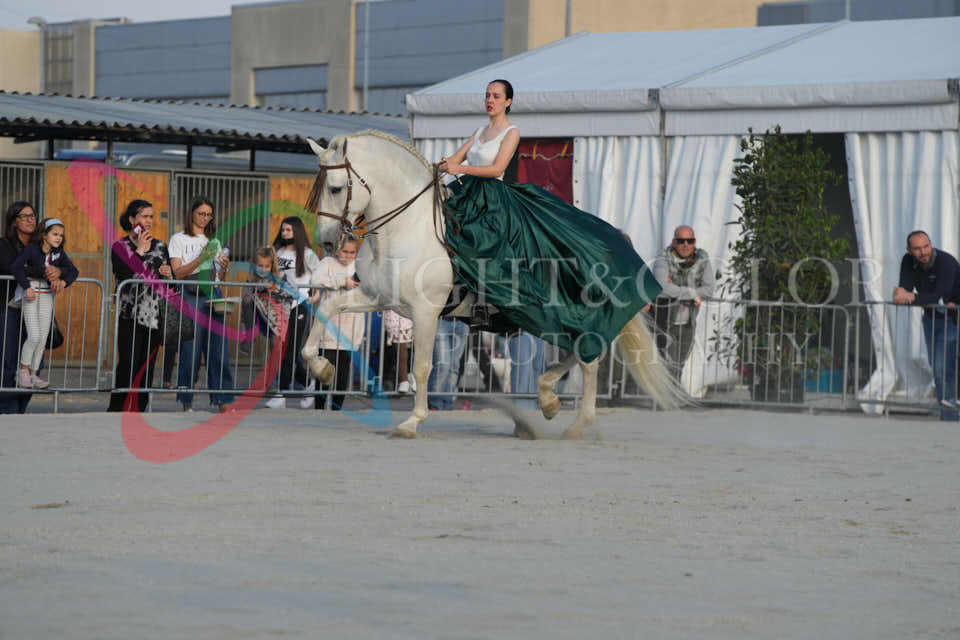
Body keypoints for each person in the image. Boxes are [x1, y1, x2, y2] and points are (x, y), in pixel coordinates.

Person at [439, 79, 661, 367]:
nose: (490, 100)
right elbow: (452, 160)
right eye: (487, 95)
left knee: (488, 245)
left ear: (508, 101)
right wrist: (436, 167)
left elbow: (497, 168)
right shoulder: (479, 131)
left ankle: (491, 302)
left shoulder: (511, 132)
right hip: (467, 192)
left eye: (496, 96)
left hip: (492, 198)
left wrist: (460, 168)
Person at [168, 196, 235, 413]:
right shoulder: (178, 239)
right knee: (190, 350)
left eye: (209, 215)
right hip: (190, 293)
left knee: (219, 348)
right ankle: (186, 401)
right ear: (192, 214)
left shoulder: (215, 240)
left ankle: (223, 400)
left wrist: (224, 266)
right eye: (201, 214)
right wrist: (201, 259)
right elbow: (177, 273)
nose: (205, 218)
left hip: (213, 292)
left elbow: (220, 277)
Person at [108, 199, 173, 411]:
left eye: (151, 217)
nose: (149, 221)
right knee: (128, 363)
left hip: (154, 315)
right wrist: (140, 251)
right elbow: (124, 273)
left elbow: (169, 282)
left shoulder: (160, 246)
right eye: (144, 216)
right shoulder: (120, 246)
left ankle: (139, 410)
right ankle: (116, 409)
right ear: (132, 220)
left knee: (147, 366)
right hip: (129, 314)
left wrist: (169, 275)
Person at [892, 230, 960, 421]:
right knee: (938, 367)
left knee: (942, 368)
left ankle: (950, 416)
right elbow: (904, 290)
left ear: (931, 243)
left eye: (926, 246)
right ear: (909, 250)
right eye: (917, 249)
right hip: (930, 318)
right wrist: (900, 294)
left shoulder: (946, 262)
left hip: (953, 317)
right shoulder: (908, 261)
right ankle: (948, 413)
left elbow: (940, 297)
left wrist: (911, 296)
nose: (923, 252)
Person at [0, 202, 60, 412]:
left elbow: (61, 264)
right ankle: (7, 410)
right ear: (14, 222)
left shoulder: (43, 244)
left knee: (36, 360)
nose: (30, 219)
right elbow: (11, 268)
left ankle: (21, 408)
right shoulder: (4, 245)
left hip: (37, 305)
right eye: (24, 216)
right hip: (12, 307)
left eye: (32, 215)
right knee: (9, 361)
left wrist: (59, 272)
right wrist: (44, 271)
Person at [11, 218, 79, 389]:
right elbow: (17, 267)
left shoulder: (59, 253)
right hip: (31, 294)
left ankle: (33, 374)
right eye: (55, 234)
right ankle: (22, 371)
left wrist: (63, 282)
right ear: (44, 235)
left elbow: (74, 271)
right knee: (34, 336)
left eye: (61, 235)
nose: (58, 238)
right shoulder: (32, 249)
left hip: (47, 295)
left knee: (42, 338)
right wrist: (26, 287)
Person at [651, 225, 715, 375]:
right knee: (668, 366)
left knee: (679, 367)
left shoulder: (702, 259)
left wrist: (675, 289)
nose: (685, 245)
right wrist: (692, 293)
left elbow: (709, 290)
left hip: (688, 324)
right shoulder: (663, 257)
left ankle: (673, 390)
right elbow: (661, 287)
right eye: (681, 241)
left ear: (694, 242)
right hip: (665, 322)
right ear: (674, 242)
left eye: (689, 241)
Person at [272, 216, 322, 409]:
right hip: (280, 306)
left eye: (289, 230)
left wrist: (315, 296)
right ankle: (309, 384)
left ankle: (281, 394)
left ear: (297, 232)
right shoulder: (277, 252)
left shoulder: (308, 254)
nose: (285, 233)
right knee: (285, 352)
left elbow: (319, 277)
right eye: (283, 230)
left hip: (299, 305)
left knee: (289, 351)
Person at [310, 236, 364, 410]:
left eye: (352, 252)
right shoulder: (327, 262)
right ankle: (319, 408)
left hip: (351, 326)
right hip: (329, 326)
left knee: (342, 371)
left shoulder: (361, 266)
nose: (348, 256)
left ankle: (337, 409)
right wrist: (342, 282)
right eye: (344, 251)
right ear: (337, 250)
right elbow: (315, 280)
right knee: (324, 371)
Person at [245, 245, 294, 409]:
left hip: (277, 318)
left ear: (272, 266)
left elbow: (290, 294)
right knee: (247, 301)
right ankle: (249, 337)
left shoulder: (280, 278)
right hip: (261, 317)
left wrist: (276, 288)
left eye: (267, 266)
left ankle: (275, 386)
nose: (263, 270)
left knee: (277, 348)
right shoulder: (251, 279)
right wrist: (259, 288)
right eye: (260, 266)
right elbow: (247, 295)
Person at [427, 313, 469, 410]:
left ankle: (447, 404)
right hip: (441, 319)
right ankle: (435, 404)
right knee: (442, 365)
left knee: (454, 366)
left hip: (463, 321)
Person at [384, 310, 415, 393]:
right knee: (400, 350)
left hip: (414, 314)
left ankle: (414, 378)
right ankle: (404, 380)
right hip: (396, 317)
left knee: (418, 349)